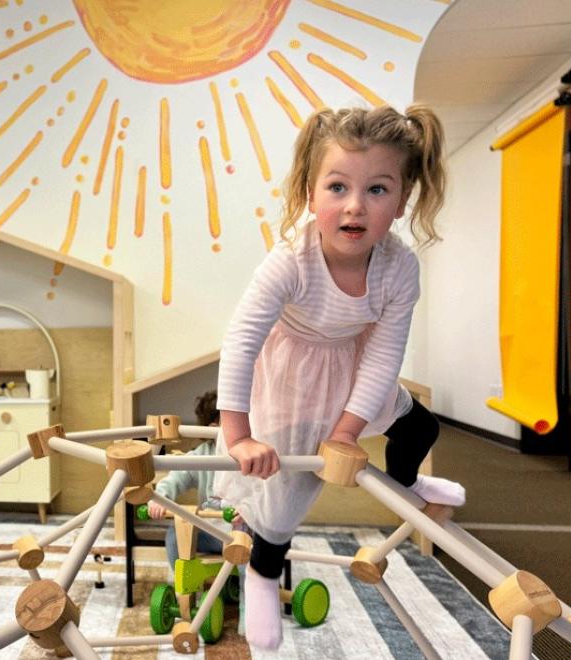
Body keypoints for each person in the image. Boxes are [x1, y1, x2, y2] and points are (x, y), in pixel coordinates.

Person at [214, 105, 464, 649]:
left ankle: (408, 484)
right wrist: (239, 435)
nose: (355, 205)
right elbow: (240, 343)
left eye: (377, 189)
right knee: (284, 499)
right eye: (337, 187)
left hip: (352, 369)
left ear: (401, 202)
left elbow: (383, 355)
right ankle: (260, 574)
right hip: (289, 377)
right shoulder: (290, 262)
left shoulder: (399, 267)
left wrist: (349, 430)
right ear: (310, 195)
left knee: (420, 427)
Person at [146, 390, 230, 569]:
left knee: (253, 549)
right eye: (232, 420)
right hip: (212, 533)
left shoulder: (249, 454)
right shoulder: (201, 455)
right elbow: (176, 478)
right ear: (214, 429)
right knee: (175, 534)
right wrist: (160, 498)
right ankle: (184, 589)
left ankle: (249, 595)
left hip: (244, 534)